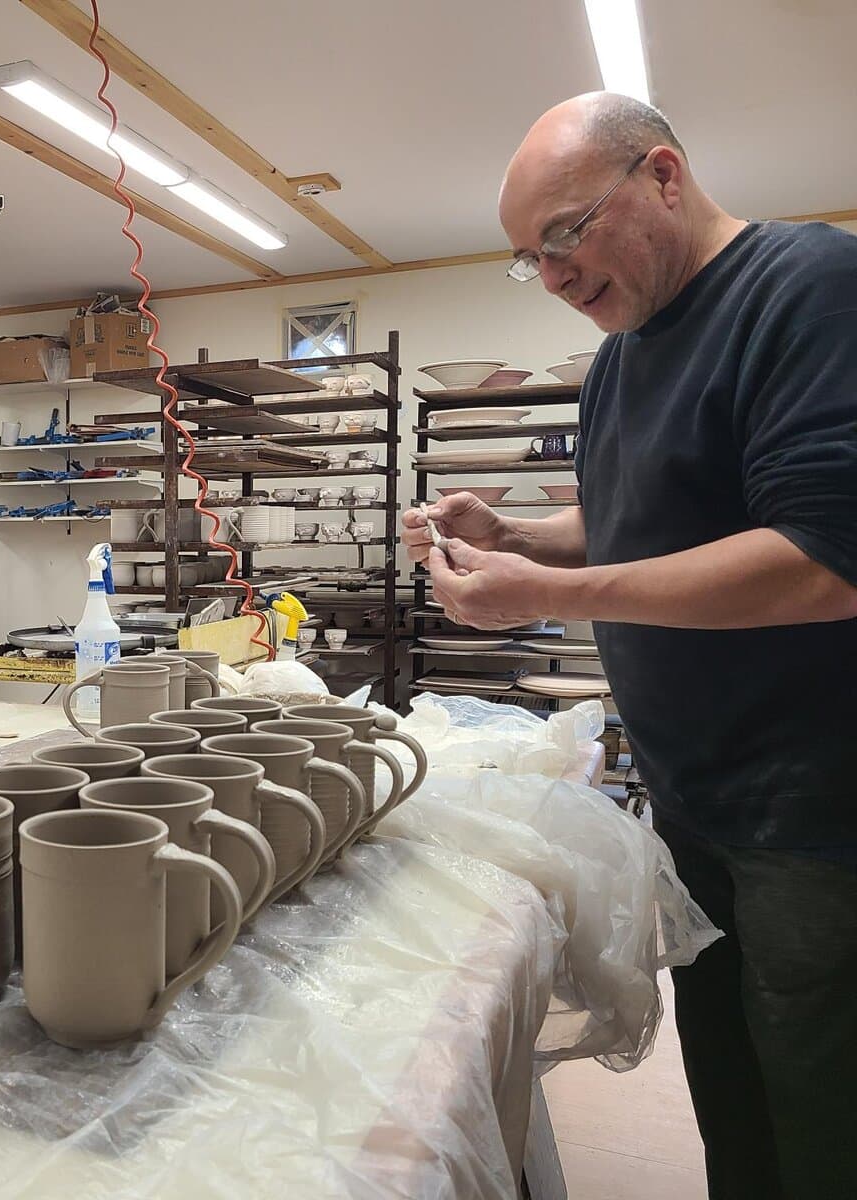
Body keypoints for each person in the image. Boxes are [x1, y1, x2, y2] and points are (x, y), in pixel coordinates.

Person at [402, 92, 857, 1197]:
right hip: (690, 796)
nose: (552, 275)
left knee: (822, 1105)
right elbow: (633, 520)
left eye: (564, 233)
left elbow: (822, 559)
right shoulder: (618, 354)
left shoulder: (807, 290)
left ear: (662, 174)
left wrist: (548, 591)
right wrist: (513, 532)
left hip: (811, 813)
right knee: (734, 1092)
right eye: (527, 258)